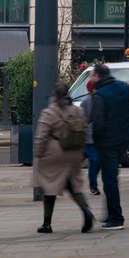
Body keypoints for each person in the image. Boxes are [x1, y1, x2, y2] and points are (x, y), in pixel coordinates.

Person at [89, 63, 129, 230]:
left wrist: (96, 141)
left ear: (98, 76)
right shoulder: (122, 87)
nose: (91, 78)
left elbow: (98, 123)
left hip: (108, 143)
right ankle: (110, 213)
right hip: (124, 139)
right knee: (110, 178)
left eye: (92, 75)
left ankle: (116, 218)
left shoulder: (99, 95)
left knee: (109, 180)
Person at [33, 82, 95, 234]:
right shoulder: (77, 110)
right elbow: (85, 131)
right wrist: (81, 152)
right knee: (73, 184)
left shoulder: (49, 112)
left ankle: (47, 223)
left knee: (49, 185)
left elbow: (41, 136)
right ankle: (85, 210)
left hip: (54, 153)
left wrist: (38, 154)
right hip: (73, 152)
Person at [79, 78, 100, 196]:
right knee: (94, 160)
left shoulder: (101, 100)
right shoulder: (85, 102)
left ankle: (93, 183)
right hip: (89, 137)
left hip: (99, 136)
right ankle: (93, 185)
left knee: (98, 161)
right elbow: (82, 121)